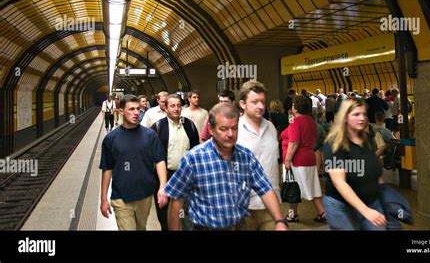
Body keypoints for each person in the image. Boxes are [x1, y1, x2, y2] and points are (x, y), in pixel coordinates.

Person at [164, 103, 289, 231]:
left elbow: (265, 189)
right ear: (211, 129)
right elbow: (176, 201)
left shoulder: (246, 157)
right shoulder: (193, 159)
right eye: (223, 129)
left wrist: (280, 221)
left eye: (234, 128)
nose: (230, 134)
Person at [99, 94, 168, 230]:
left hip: (145, 195)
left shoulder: (150, 135)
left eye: (137, 109)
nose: (136, 113)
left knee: (141, 228)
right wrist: (103, 199)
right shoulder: (111, 139)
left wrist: (162, 187)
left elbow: (159, 160)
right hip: (121, 197)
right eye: (131, 109)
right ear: (121, 111)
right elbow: (107, 168)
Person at [323, 98, 387, 230]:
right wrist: (366, 211)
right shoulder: (334, 144)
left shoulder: (368, 139)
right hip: (341, 207)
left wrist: (387, 197)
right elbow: (339, 183)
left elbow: (374, 172)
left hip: (371, 201)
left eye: (364, 114)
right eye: (356, 114)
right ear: (345, 117)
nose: (362, 118)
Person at [150, 94, 200, 230]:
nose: (176, 109)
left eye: (179, 105)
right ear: (165, 108)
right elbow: (153, 156)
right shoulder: (158, 127)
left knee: (185, 215)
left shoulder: (189, 125)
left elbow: (196, 150)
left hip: (186, 177)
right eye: (172, 106)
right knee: (165, 216)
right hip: (165, 177)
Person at [236, 80, 281, 230]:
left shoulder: (271, 127)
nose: (261, 106)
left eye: (262, 101)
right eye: (255, 102)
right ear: (242, 104)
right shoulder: (233, 130)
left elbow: (275, 161)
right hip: (243, 205)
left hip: (271, 203)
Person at [282, 95, 326, 223]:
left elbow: (294, 142)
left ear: (295, 107)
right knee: (312, 186)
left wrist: (287, 160)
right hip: (309, 158)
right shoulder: (311, 121)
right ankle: (322, 213)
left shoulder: (295, 121)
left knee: (292, 187)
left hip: (297, 160)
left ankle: (293, 214)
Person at [269, 99, 289, 164]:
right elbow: (288, 125)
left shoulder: (270, 116)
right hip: (283, 138)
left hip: (273, 137)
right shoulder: (284, 116)